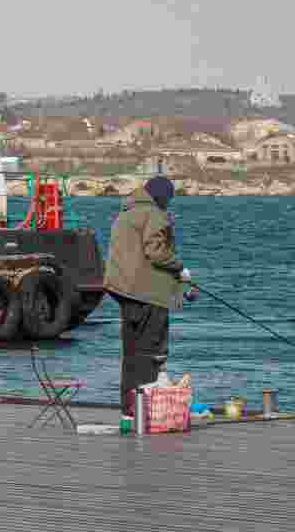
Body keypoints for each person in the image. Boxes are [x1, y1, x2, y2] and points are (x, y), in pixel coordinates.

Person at [103, 175, 192, 419]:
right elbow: (156, 251)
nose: (168, 204)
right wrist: (179, 268)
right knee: (151, 351)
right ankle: (146, 412)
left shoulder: (127, 211)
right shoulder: (153, 214)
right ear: (162, 197)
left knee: (131, 352)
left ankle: (129, 412)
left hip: (123, 290)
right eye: (168, 200)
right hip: (148, 294)